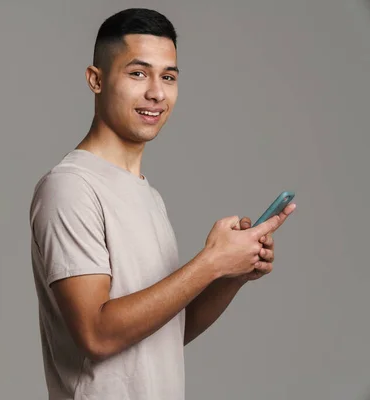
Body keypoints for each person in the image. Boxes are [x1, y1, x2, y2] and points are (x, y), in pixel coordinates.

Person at [28, 7, 296, 400]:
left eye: (168, 77)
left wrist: (230, 275)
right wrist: (210, 262)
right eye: (138, 73)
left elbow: (166, 332)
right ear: (96, 80)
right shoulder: (70, 188)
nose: (156, 92)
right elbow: (97, 335)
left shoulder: (148, 196)